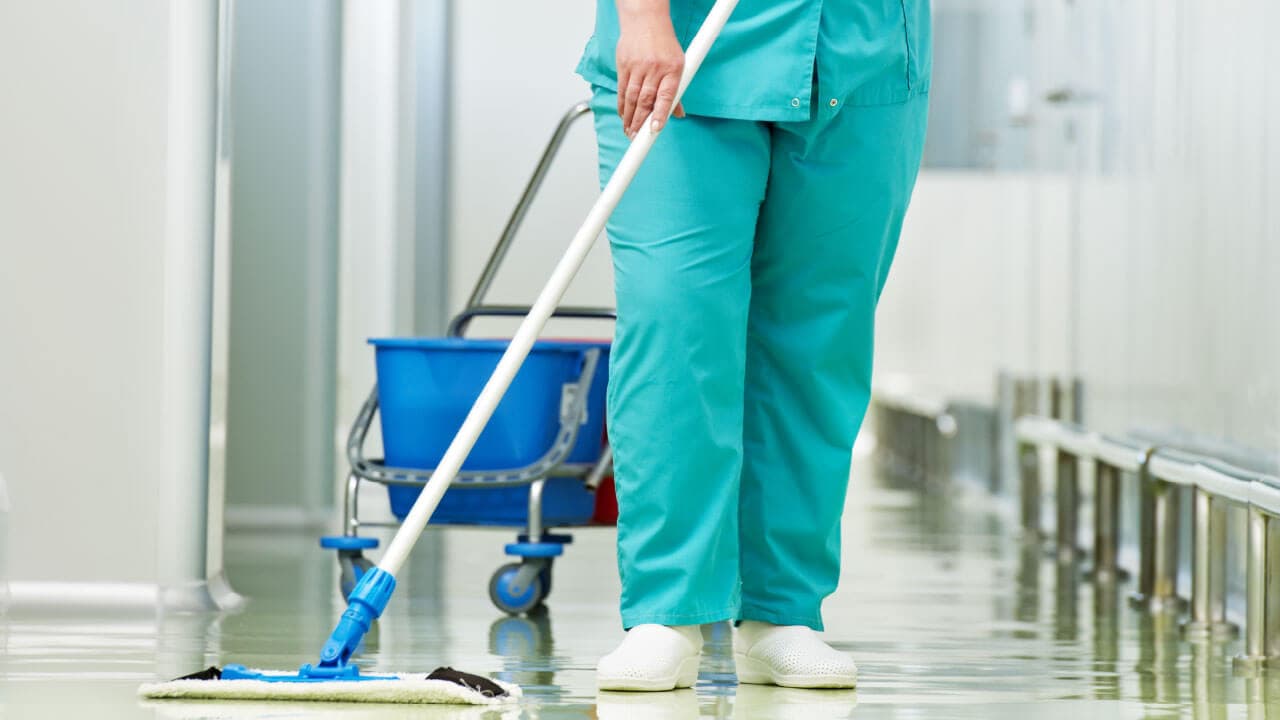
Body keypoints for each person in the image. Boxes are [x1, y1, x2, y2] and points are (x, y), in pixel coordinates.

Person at [578, 0, 931, 691]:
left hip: (862, 53)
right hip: (684, 51)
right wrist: (644, 18)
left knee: (818, 340)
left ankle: (781, 612)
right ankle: (666, 610)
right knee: (675, 326)